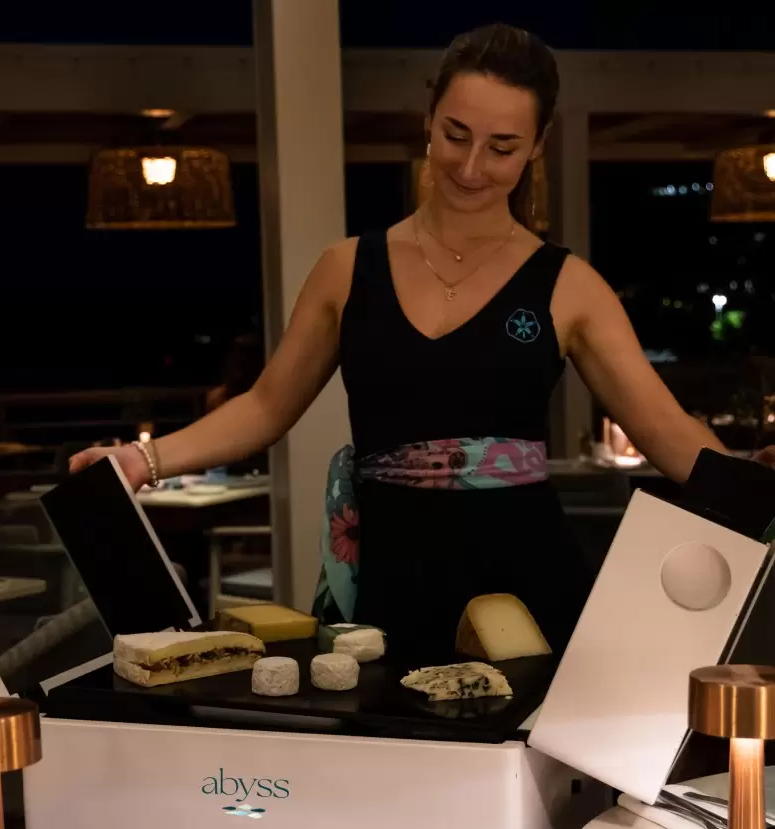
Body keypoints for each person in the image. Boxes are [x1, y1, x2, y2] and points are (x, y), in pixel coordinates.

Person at [71, 24, 736, 662]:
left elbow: (668, 432)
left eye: (502, 147)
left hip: (530, 588)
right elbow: (266, 406)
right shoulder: (345, 269)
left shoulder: (571, 286)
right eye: (456, 135)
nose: (470, 167)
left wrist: (757, 492)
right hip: (388, 581)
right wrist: (142, 460)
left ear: (538, 145)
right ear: (428, 121)